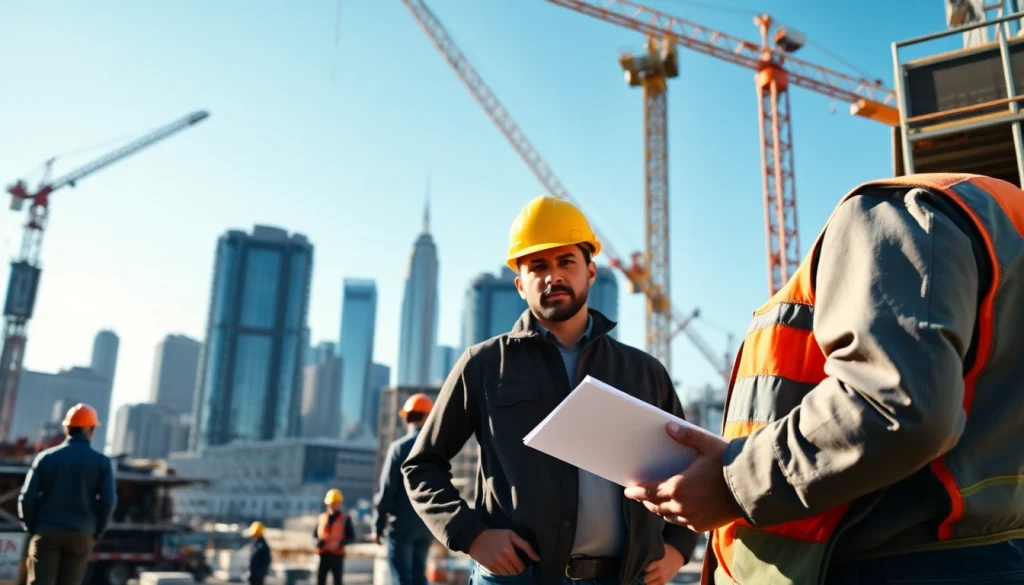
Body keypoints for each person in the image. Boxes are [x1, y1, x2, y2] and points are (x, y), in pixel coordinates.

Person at [623, 172, 1024, 584]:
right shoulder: (1004, 222)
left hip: (884, 563)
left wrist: (731, 482)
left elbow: (896, 403)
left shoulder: (900, 209)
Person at [402, 195, 699, 585]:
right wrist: (471, 535)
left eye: (566, 262)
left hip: (626, 577)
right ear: (520, 284)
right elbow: (421, 465)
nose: (552, 276)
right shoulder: (484, 364)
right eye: (537, 266)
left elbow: (691, 467)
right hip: (515, 579)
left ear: (591, 272)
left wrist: (678, 546)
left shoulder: (643, 372)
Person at [18, 403, 117, 585]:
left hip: (47, 530)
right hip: (82, 533)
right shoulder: (102, 462)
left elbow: (26, 498)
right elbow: (108, 501)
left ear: (67, 428)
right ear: (92, 429)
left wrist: (33, 527)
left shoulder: (46, 458)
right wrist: (97, 530)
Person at [374, 393, 437, 585]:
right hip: (427, 525)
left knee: (401, 579)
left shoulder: (399, 448)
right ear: (428, 417)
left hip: (401, 525)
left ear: (408, 418)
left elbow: (387, 490)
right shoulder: (436, 450)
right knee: (419, 577)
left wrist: (377, 526)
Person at [315, 488, 356, 585]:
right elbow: (315, 535)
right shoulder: (322, 517)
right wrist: (318, 543)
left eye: (335, 503)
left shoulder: (345, 519)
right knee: (320, 580)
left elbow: (351, 537)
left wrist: (339, 544)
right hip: (323, 554)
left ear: (339, 503)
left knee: (337, 581)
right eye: (331, 503)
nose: (333, 505)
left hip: (337, 555)